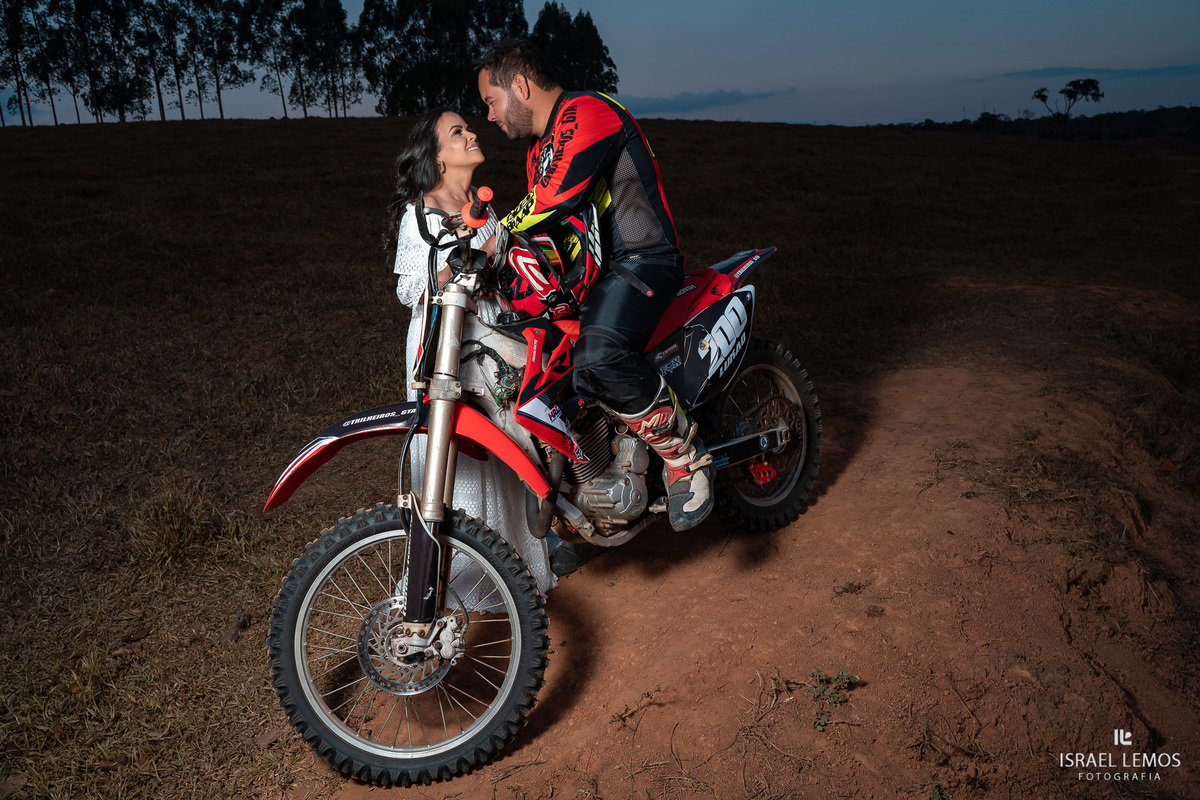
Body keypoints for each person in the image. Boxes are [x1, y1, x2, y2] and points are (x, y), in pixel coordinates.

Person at [476, 37, 714, 533]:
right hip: (597, 272)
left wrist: (488, 235)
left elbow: (549, 201)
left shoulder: (586, 112)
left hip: (645, 258)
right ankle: (595, 495)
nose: (491, 117)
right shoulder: (538, 149)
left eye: (491, 102)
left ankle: (686, 456)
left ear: (519, 85)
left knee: (599, 354)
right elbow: (550, 226)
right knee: (547, 366)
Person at [385, 107, 557, 592]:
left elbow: (506, 269)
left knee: (507, 442)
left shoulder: (487, 211)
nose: (471, 134)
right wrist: (454, 273)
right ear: (437, 158)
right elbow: (408, 289)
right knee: (451, 454)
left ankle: (514, 568)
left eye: (468, 128)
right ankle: (446, 582)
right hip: (444, 344)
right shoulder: (420, 214)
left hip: (492, 335)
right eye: (457, 132)